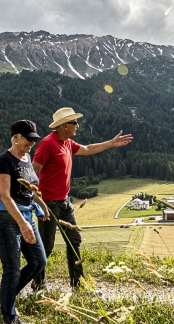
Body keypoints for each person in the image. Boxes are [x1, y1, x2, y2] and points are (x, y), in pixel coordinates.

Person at [32, 107, 133, 290]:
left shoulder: (67, 142)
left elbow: (87, 149)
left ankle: (77, 283)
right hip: (49, 204)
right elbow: (33, 172)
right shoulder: (48, 144)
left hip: (65, 202)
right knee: (46, 247)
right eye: (74, 122)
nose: (77, 126)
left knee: (74, 240)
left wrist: (111, 143)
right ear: (63, 126)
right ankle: (38, 284)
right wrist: (38, 202)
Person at [0, 120, 50, 324]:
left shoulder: (27, 158)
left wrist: (41, 205)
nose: (32, 142)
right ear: (16, 137)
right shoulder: (5, 160)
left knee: (39, 261)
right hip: (5, 217)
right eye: (28, 138)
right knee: (12, 269)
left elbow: (29, 189)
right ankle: (9, 322)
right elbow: (5, 196)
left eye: (34, 138)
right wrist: (23, 224)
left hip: (25, 214)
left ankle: (4, 295)